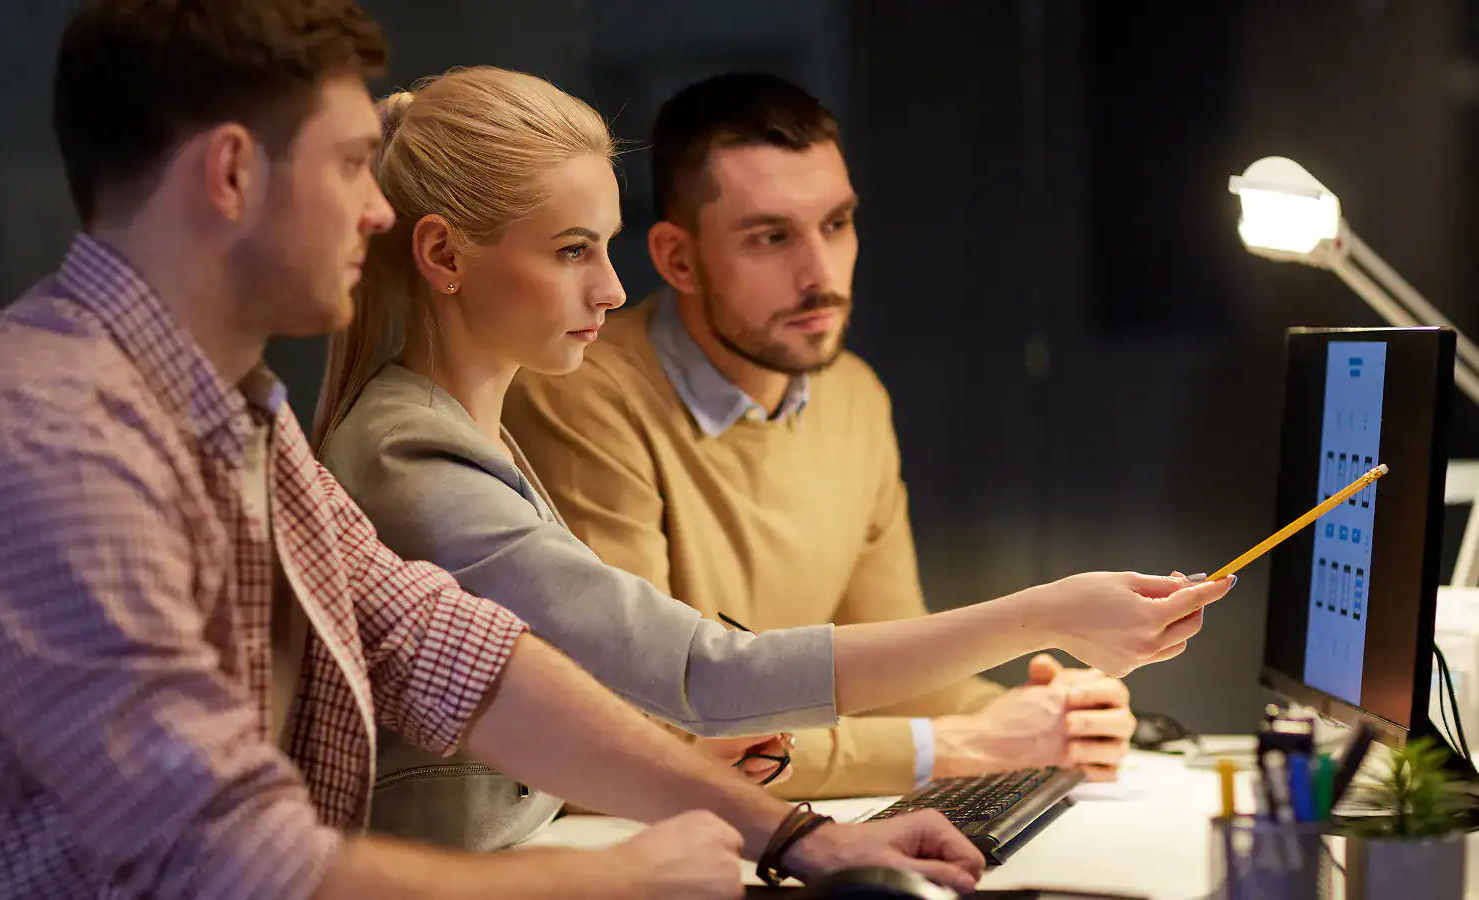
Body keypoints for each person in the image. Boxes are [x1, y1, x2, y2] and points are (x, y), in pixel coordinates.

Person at [0, 5, 1001, 896]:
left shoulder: (238, 413)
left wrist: (796, 837)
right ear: (233, 173)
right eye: (347, 166)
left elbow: (447, 652)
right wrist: (613, 881)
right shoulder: (58, 438)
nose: (377, 208)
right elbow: (223, 859)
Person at [312, 57, 1233, 852]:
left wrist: (1017, 717)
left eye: (837, 225)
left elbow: (572, 721)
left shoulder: (468, 430)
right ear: (443, 255)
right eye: (570, 251)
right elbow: (698, 677)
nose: (608, 284)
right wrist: (1043, 619)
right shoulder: (420, 453)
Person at [503, 72, 1190, 800]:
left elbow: (898, 674)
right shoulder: (580, 396)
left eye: (836, 224)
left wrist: (1046, 716)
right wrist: (956, 745)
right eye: (771, 237)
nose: (820, 274)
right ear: (678, 259)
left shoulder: (852, 396)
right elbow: (642, 730)